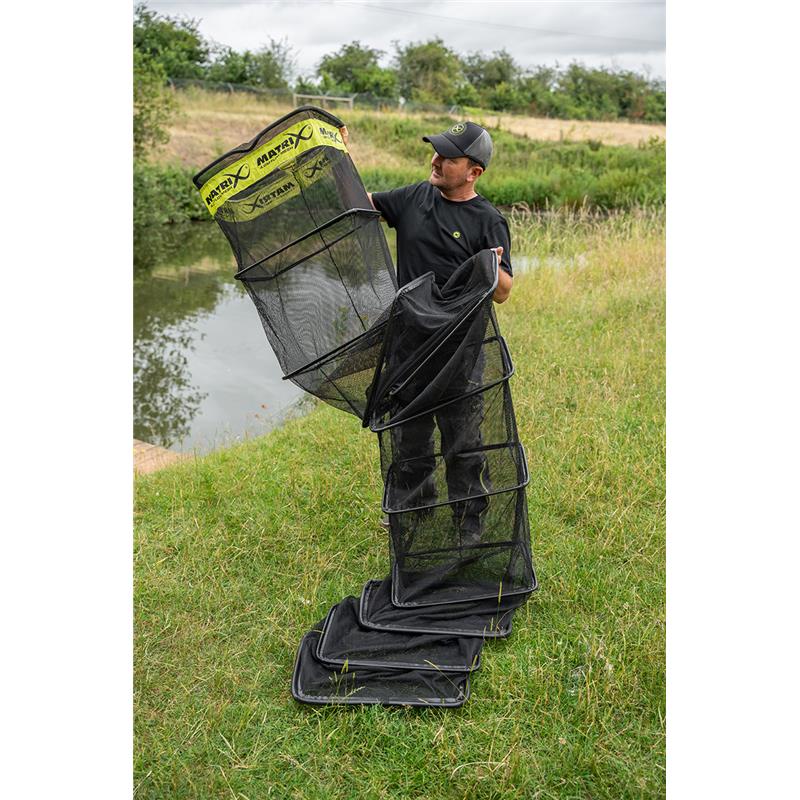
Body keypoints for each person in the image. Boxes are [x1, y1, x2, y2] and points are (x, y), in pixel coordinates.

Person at [339, 121, 513, 545]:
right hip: (408, 346)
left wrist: (488, 267)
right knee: (409, 438)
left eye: (448, 157)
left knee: (463, 441)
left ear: (473, 172)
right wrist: (339, 156)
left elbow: (504, 292)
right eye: (436, 151)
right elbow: (357, 204)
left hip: (459, 352)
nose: (435, 160)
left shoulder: (488, 220)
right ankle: (413, 513)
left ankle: (468, 524)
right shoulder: (413, 198)